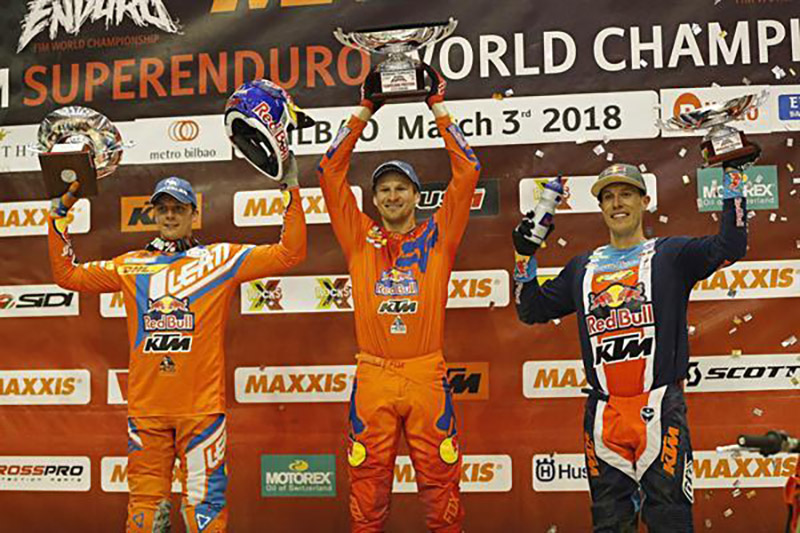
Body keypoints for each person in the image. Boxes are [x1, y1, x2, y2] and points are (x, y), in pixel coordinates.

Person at [47, 166, 306, 532]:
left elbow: (290, 254)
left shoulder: (219, 260)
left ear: (193, 214)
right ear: (153, 214)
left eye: (179, 208)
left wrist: (290, 189)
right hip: (147, 412)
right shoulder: (131, 265)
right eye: (163, 208)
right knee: (144, 512)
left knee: (204, 511)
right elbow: (67, 276)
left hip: (201, 411)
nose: (170, 215)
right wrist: (58, 216)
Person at [512, 162, 750, 532]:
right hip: (603, 413)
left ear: (645, 201)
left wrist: (732, 175)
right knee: (610, 523)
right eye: (608, 196)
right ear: (601, 207)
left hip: (660, 405)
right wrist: (523, 257)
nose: (617, 203)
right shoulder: (582, 267)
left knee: (670, 521)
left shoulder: (670, 255)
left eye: (626, 194)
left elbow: (731, 246)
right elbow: (530, 309)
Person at [317, 67, 481, 532]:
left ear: (416, 195)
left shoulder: (438, 236)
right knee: (367, 486)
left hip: (426, 373)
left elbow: (468, 171)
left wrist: (437, 105)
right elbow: (329, 173)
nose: (392, 196)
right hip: (374, 374)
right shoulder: (359, 237)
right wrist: (364, 109)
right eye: (384, 189)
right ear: (373, 199)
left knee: (441, 484)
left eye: (400, 188)